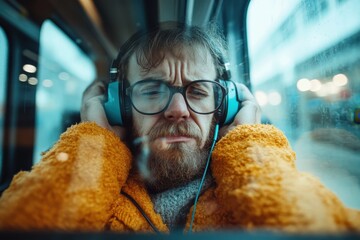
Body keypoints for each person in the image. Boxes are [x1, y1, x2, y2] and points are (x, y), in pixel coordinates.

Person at [0, 22, 359, 233]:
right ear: (119, 107)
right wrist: (95, 142)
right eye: (153, 90)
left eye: (198, 91)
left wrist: (249, 146)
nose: (177, 109)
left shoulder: (253, 184)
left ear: (225, 106)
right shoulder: (90, 185)